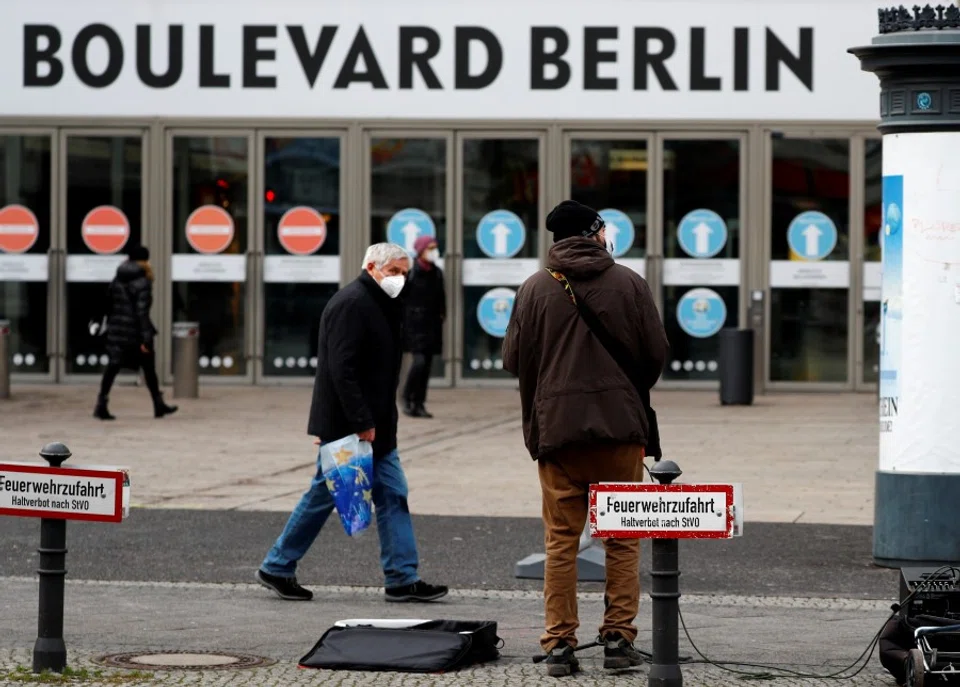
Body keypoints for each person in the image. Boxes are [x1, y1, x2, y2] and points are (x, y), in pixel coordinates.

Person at [502, 200, 668, 677]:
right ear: (595, 233)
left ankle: (559, 645)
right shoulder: (629, 283)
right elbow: (655, 353)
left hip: (557, 432)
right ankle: (618, 640)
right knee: (621, 538)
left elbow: (514, 358)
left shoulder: (535, 287)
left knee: (560, 542)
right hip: (619, 431)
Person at [256, 242, 448, 604]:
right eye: (394, 272)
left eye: (405, 274)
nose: (400, 280)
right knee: (324, 495)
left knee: (393, 494)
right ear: (372, 267)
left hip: (376, 427)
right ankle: (278, 565)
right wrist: (361, 420)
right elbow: (341, 370)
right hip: (351, 425)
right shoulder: (352, 303)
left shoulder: (383, 302)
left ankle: (402, 578)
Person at [94, 246, 177, 421]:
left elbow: (107, 304)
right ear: (145, 261)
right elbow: (141, 312)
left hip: (116, 330)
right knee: (148, 368)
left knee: (113, 367)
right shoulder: (143, 281)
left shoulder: (117, 278)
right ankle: (158, 404)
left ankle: (101, 404)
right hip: (135, 333)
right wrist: (146, 338)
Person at [401, 235, 446, 418]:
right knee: (418, 362)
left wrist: (442, 316)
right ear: (420, 250)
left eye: (435, 247)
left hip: (432, 325)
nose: (434, 251)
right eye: (430, 248)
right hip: (413, 325)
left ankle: (419, 403)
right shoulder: (410, 272)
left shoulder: (436, 272)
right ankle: (407, 397)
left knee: (426, 365)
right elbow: (401, 298)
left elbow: (441, 298)